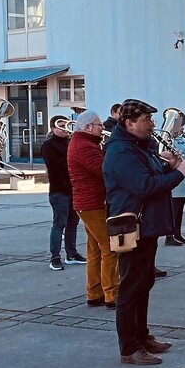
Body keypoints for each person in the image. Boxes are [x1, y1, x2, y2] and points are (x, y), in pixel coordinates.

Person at [103, 98, 185, 365]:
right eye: (147, 120)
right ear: (130, 124)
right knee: (130, 287)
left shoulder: (138, 145)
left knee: (144, 283)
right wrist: (179, 174)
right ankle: (129, 348)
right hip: (131, 226)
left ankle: (142, 336)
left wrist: (166, 165)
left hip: (146, 225)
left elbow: (150, 174)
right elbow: (143, 186)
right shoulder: (120, 150)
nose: (152, 124)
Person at [68, 110, 119, 309]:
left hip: (87, 203)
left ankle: (95, 292)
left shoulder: (83, 143)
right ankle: (111, 294)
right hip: (92, 203)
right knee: (109, 247)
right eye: (99, 126)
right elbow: (104, 170)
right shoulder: (85, 146)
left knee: (95, 249)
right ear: (88, 127)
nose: (103, 128)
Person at [41, 116, 85, 271]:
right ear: (53, 129)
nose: (66, 128)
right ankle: (55, 257)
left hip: (75, 189)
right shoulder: (49, 145)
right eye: (61, 125)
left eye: (66, 124)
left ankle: (71, 254)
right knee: (59, 224)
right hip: (59, 190)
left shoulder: (71, 142)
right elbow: (55, 166)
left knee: (73, 223)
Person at [165, 113, 185, 247]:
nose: (181, 128)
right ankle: (169, 235)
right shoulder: (169, 141)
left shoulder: (183, 138)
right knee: (174, 209)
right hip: (177, 177)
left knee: (180, 208)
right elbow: (177, 156)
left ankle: (177, 232)